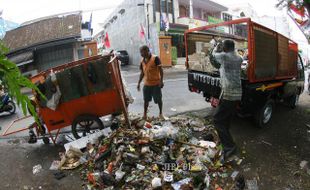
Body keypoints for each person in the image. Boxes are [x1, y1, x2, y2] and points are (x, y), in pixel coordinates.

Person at [211, 39, 243, 161]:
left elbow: (214, 55)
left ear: (225, 48)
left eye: (223, 46)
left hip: (228, 94)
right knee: (226, 119)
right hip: (237, 94)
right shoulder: (239, 58)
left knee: (217, 120)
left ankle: (229, 146)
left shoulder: (224, 57)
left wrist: (216, 46)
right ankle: (226, 140)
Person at [137, 45, 165, 120]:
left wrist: (161, 81)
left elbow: (161, 70)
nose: (141, 54)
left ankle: (161, 113)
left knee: (158, 100)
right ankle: (145, 114)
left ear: (147, 51)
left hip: (156, 84)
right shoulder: (142, 61)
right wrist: (139, 83)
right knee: (146, 100)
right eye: (140, 52)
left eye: (142, 52)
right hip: (147, 84)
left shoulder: (155, 58)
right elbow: (142, 73)